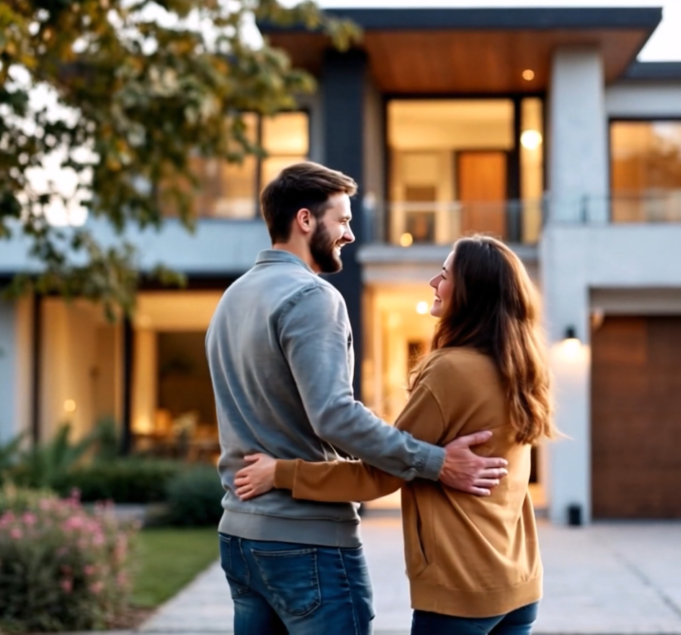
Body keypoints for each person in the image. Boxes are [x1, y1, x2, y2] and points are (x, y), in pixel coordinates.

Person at [207, 162, 509, 635]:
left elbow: (310, 409)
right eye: (343, 221)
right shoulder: (313, 297)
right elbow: (333, 416)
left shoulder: (232, 298)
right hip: (307, 542)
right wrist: (434, 461)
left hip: (240, 537)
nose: (349, 234)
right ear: (306, 220)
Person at [234, 234, 554, 635]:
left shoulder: (451, 371)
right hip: (520, 587)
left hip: (462, 593)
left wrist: (280, 473)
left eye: (444, 275)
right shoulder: (520, 369)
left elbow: (380, 473)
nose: (434, 284)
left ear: (471, 292)